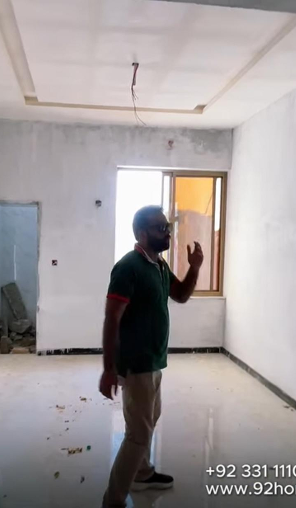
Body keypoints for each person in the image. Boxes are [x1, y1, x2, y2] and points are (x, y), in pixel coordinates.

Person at [99, 205, 204, 508]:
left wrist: (195, 267)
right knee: (138, 434)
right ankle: (113, 500)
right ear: (142, 234)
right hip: (137, 363)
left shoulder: (158, 265)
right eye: (161, 228)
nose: (167, 232)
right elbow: (112, 319)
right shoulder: (128, 267)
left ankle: (142, 473)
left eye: (167, 226)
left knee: (148, 421)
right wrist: (109, 369)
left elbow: (180, 295)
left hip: (154, 361)